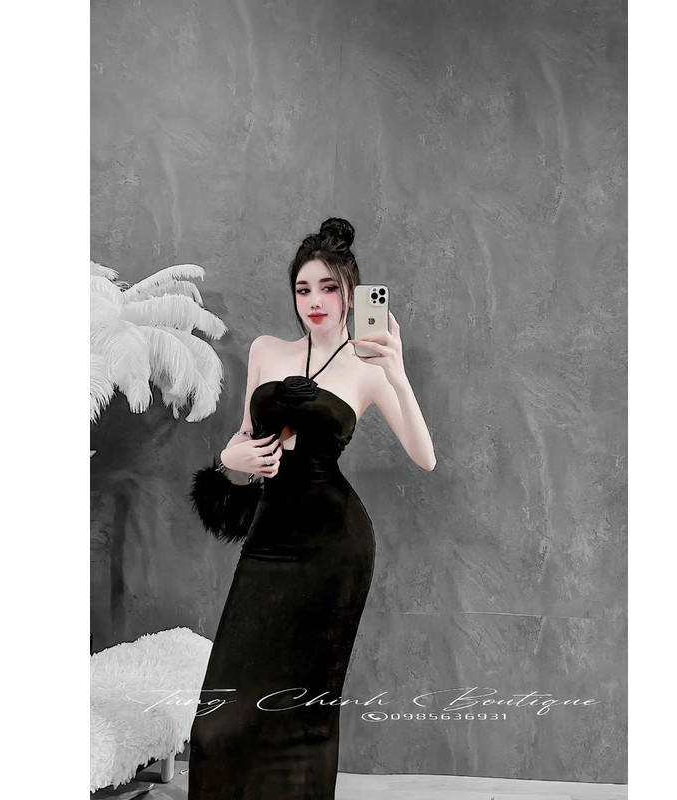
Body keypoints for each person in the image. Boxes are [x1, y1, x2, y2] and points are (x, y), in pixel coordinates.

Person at [188, 217, 436, 799]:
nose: (315, 301)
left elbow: (425, 457)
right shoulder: (266, 351)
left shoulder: (368, 367)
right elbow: (244, 440)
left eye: (328, 287)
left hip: (334, 546)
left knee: (304, 710)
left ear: (351, 293)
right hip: (270, 539)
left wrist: (397, 374)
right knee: (222, 715)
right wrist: (229, 457)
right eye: (303, 289)